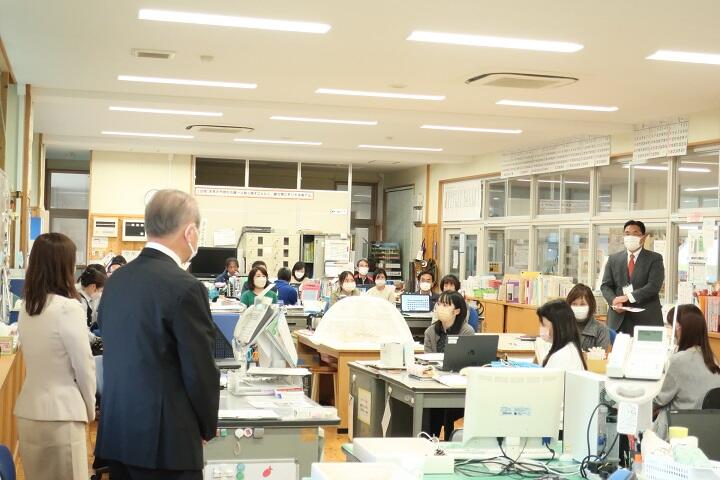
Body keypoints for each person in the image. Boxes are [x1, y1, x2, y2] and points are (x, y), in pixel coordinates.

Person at [95, 189, 219, 479]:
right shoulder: (186, 287)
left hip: (119, 433)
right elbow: (199, 371)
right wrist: (205, 426)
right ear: (190, 232)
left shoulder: (116, 281)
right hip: (167, 443)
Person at [14, 233, 96, 480]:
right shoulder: (68, 308)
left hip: (29, 411)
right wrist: (90, 409)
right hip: (62, 414)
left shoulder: (27, 308)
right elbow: (84, 366)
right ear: (64, 266)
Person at [653, 310, 720, 439]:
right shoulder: (712, 359)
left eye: (671, 326)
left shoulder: (678, 361)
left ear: (680, 329)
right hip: (706, 433)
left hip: (678, 431)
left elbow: (659, 400)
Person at [423, 291, 474, 439]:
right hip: (435, 382)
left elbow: (466, 362)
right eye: (439, 304)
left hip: (457, 385)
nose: (440, 308)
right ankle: (429, 440)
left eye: (445, 305)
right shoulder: (430, 331)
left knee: (446, 409)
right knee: (430, 409)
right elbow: (428, 360)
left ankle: (448, 440)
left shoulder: (466, 331)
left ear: (457, 311)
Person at [601, 220, 664, 335]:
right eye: (627, 233)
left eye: (635, 233)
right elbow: (605, 286)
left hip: (646, 320)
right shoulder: (613, 259)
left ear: (643, 237)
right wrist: (614, 301)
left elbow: (654, 286)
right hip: (618, 320)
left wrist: (627, 297)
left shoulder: (655, 258)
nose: (630, 236)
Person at [537, 300, 586, 371]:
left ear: (557, 325)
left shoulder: (562, 355)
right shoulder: (567, 349)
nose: (541, 328)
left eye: (543, 324)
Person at [566, 284, 612, 351]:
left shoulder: (601, 330)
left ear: (591, 305)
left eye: (582, 304)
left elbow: (603, 355)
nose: (578, 307)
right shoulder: (562, 327)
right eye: (574, 304)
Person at [77, 264, 107, 330]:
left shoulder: (87, 298)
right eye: (100, 291)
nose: (100, 294)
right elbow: (82, 329)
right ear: (93, 286)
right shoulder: (81, 302)